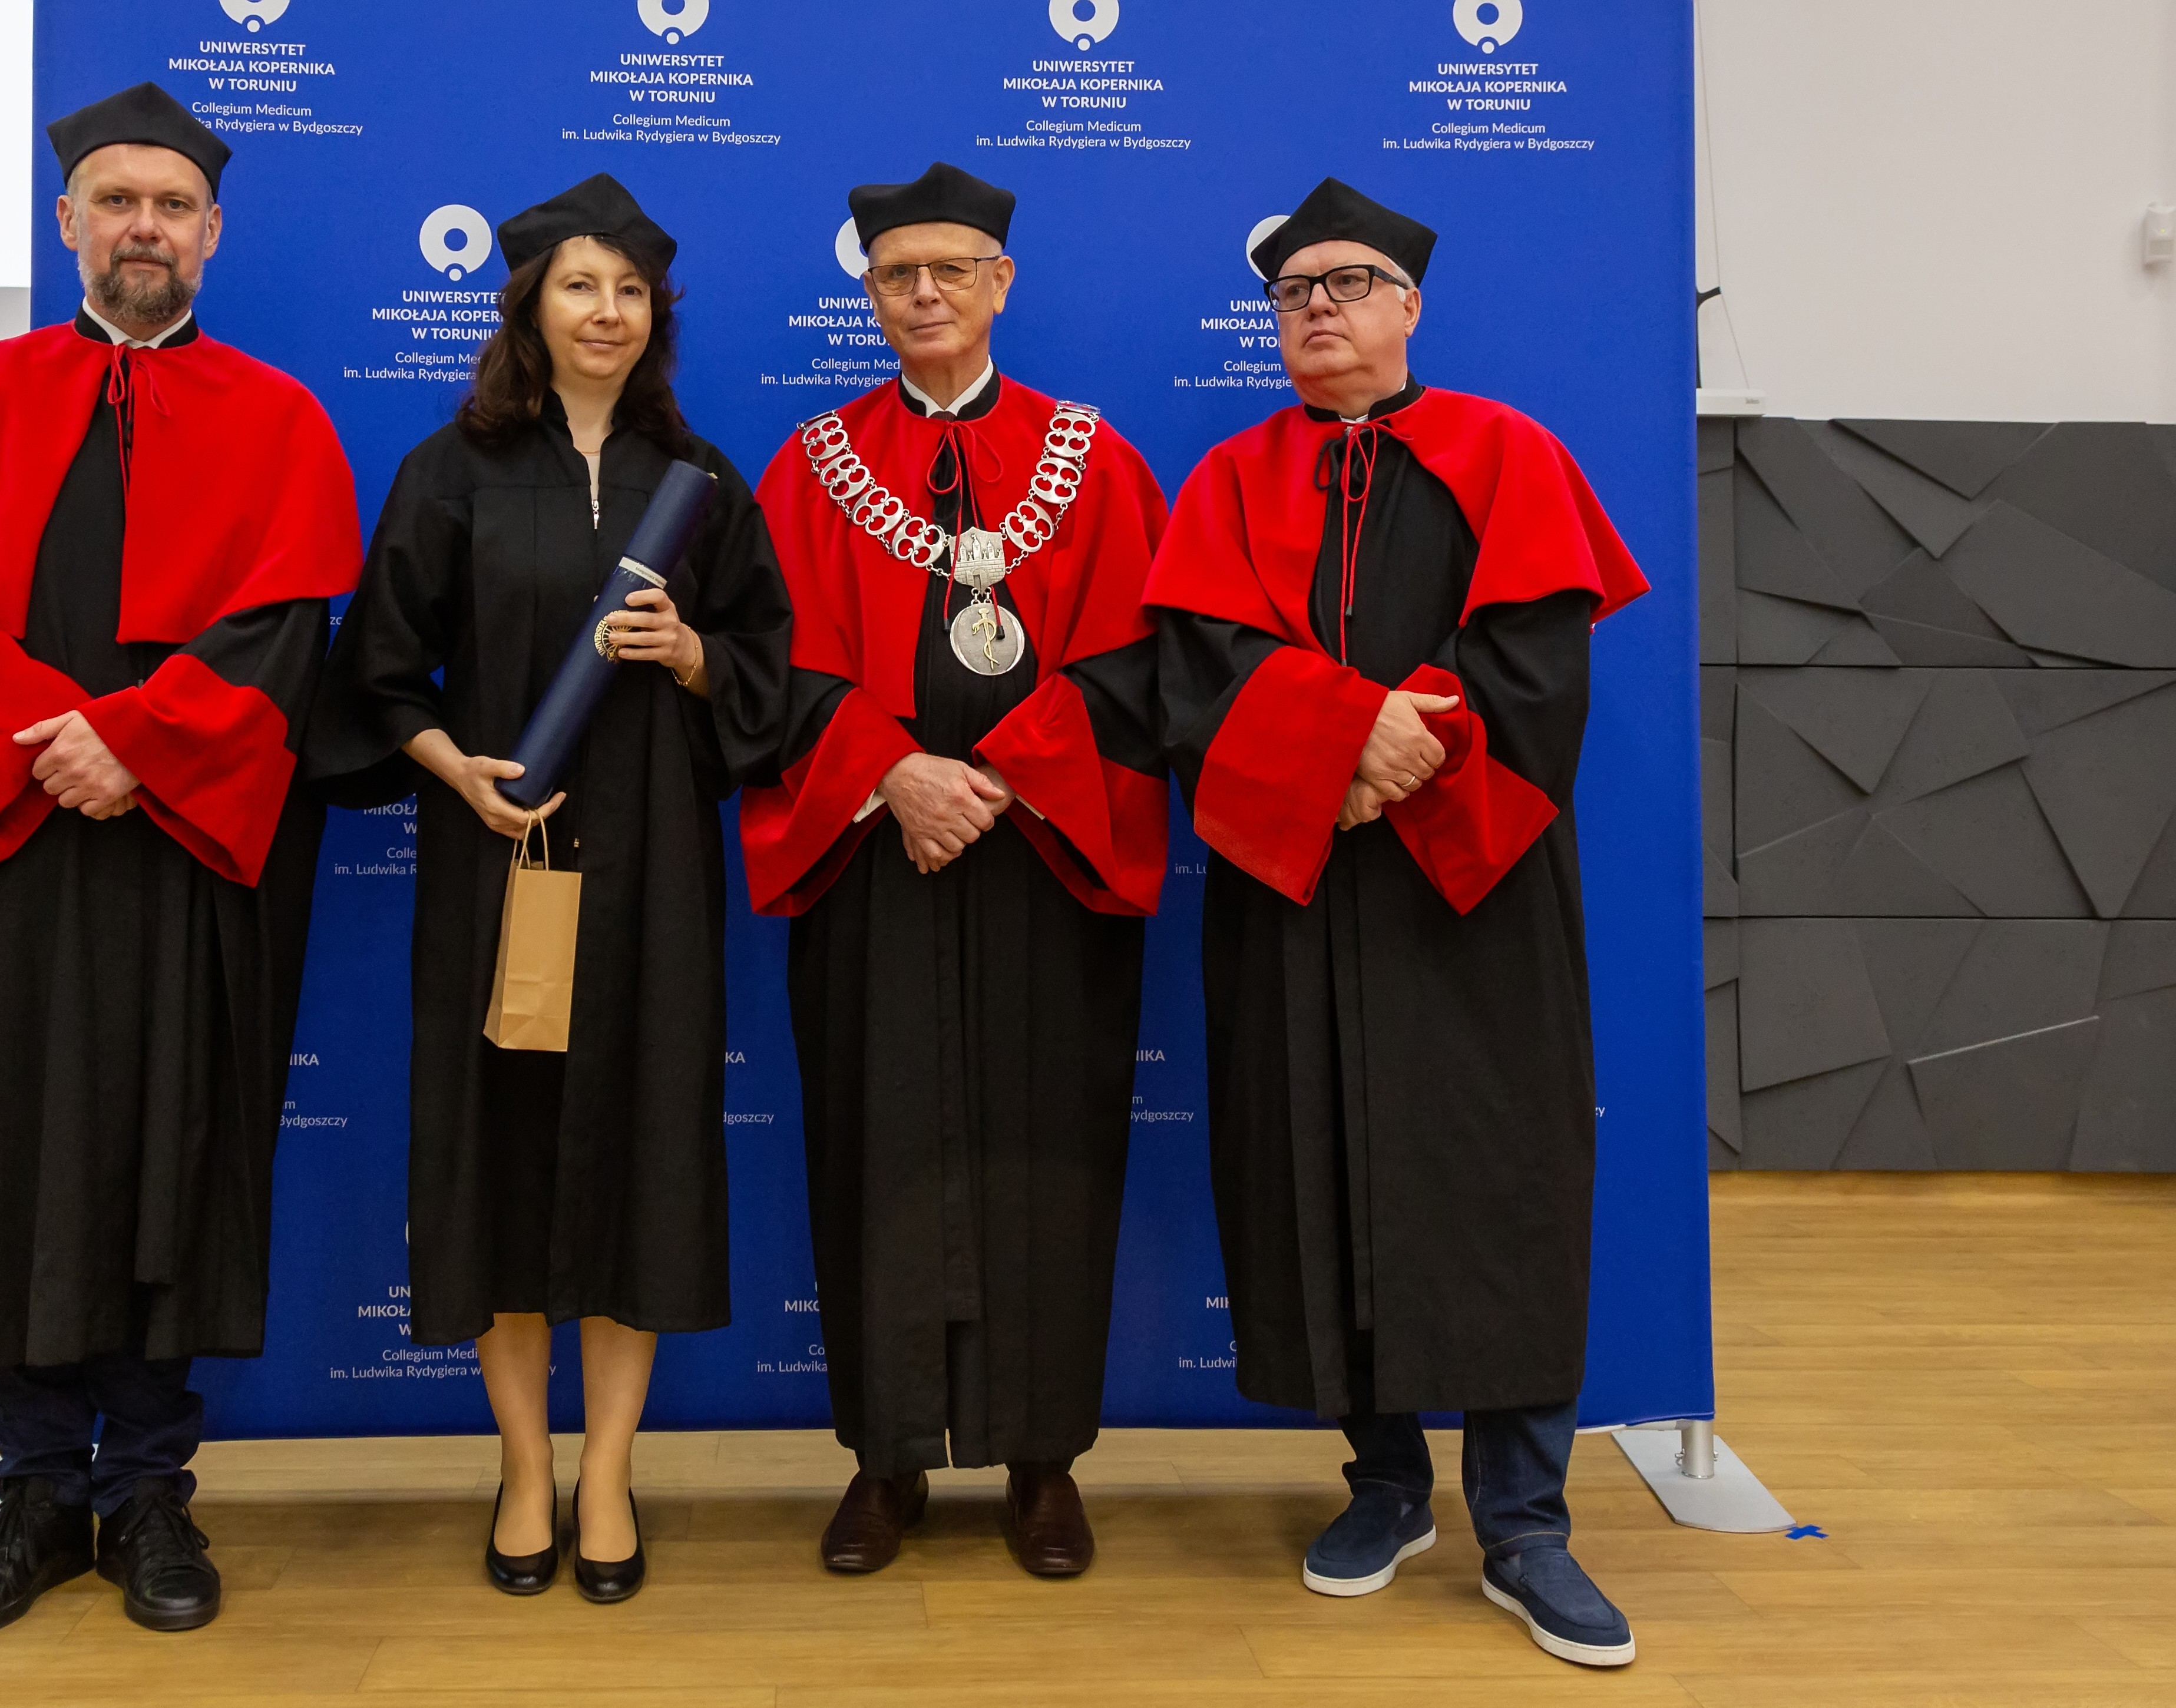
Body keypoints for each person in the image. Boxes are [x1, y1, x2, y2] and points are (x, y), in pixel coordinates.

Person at [0, 82, 361, 1641]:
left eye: (173, 206)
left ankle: (145, 1489)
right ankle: (34, 1491)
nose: (146, 226)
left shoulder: (278, 419)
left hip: (183, 848)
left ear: (213, 233)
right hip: (10, 843)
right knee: (14, 1144)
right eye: (118, 201)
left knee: (169, 1147)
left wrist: (139, 744)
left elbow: (281, 634)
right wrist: (51, 740)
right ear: (67, 220)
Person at [1143, 177, 1651, 1667]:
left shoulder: (1507, 453)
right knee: (1320, 1167)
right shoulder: (1230, 479)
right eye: (1293, 290)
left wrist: (1382, 752)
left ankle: (1527, 1524)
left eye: (1350, 282)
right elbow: (1195, 675)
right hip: (1298, 893)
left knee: (1500, 1180)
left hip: (1470, 891)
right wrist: (1337, 746)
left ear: (1410, 305)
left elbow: (1536, 670)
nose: (1318, 306)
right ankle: (1383, 1483)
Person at [306, 174, 791, 1604]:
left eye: (631, 290)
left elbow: (771, 673)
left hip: (651, 877)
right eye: (581, 285)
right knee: (501, 1161)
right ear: (529, 305)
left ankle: (612, 1471)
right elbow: (375, 673)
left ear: (657, 317)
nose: (607, 312)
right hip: (497, 865)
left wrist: (691, 656)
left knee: (641, 1153)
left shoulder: (700, 482)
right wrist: (455, 772)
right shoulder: (449, 470)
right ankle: (524, 1467)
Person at [740, 162, 1169, 1578]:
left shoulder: (1093, 459)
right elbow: (769, 666)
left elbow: (1138, 663)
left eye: (951, 270)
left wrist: (998, 775)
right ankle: (886, 1457)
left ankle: (1044, 1461)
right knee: (879, 1145)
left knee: (1049, 1150)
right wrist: (895, 774)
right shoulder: (811, 465)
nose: (924, 292)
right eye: (897, 274)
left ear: (1001, 283)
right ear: (868, 292)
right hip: (873, 852)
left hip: (1046, 855)